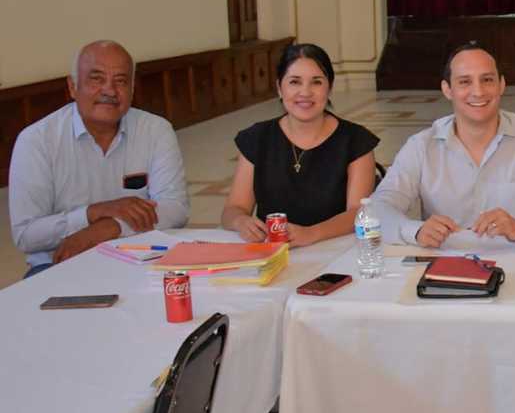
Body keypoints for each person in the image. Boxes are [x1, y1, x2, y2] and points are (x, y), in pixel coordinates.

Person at [371, 42, 515, 247]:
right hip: (445, 261)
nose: (478, 91)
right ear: (447, 89)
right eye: (465, 82)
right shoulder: (421, 146)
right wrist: (415, 231)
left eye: (487, 80)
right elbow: (377, 209)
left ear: (501, 85)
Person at [9, 40, 189, 276]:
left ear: (132, 89)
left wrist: (109, 227)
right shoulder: (37, 140)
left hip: (140, 258)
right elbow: (26, 234)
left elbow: (175, 208)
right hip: (60, 264)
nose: (109, 91)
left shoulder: (155, 130)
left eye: (121, 81)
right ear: (72, 86)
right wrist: (91, 214)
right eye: (97, 79)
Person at [222, 43, 378, 246]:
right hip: (272, 251)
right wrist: (240, 221)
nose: (305, 92)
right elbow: (233, 208)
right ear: (279, 88)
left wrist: (310, 234)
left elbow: (358, 212)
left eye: (316, 82)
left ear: (329, 88)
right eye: (294, 82)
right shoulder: (257, 138)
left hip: (335, 249)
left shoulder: (356, 140)